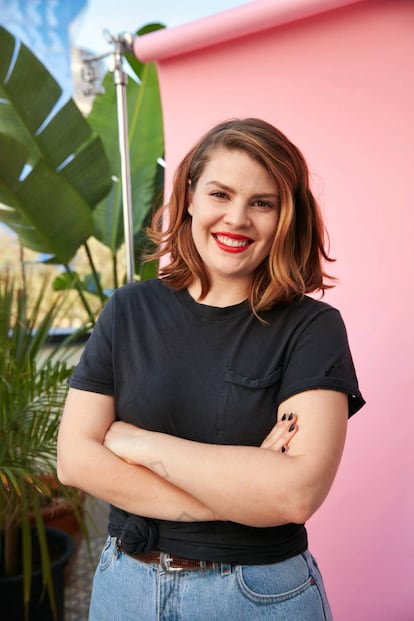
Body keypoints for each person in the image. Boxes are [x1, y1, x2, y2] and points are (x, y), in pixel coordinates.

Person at [57, 117, 365, 621]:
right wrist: (238, 495)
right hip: (125, 589)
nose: (237, 218)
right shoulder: (128, 310)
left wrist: (140, 444)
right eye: (220, 194)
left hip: (256, 595)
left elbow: (294, 494)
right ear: (190, 198)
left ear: (286, 216)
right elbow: (75, 460)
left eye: (261, 202)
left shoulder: (312, 328)